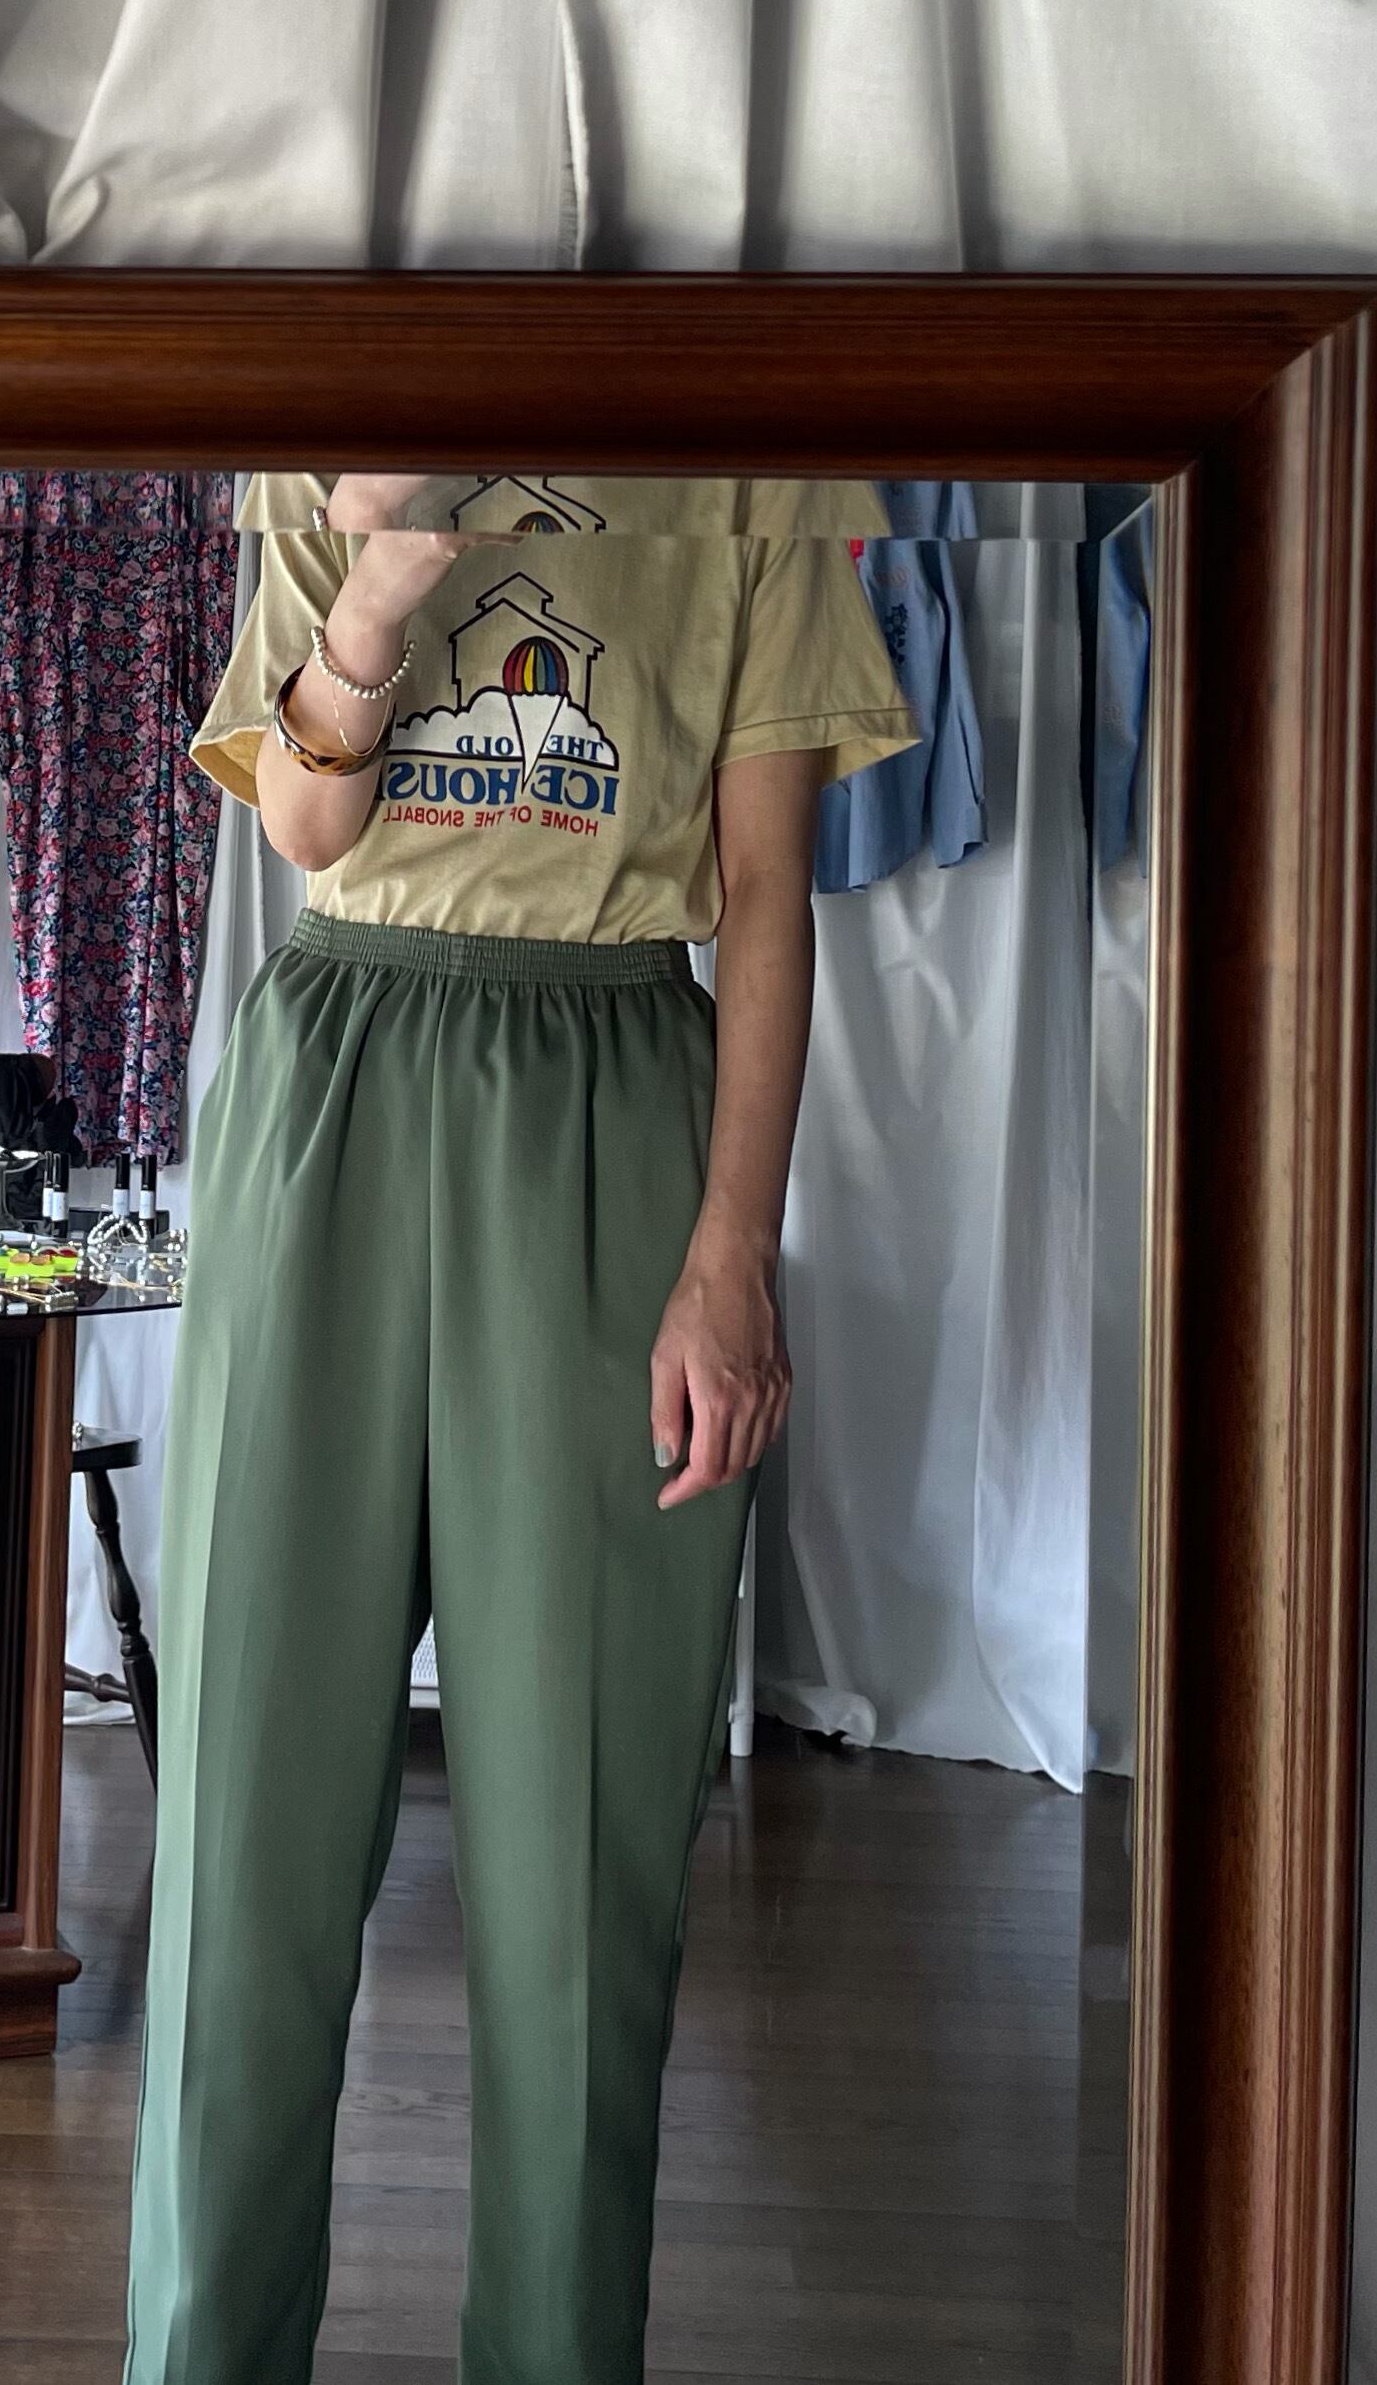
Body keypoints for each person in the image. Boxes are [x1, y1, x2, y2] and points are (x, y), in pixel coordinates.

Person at [123, 473, 920, 2385]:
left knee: (586, 1844)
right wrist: (377, 594)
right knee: (245, 1814)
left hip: (613, 1086)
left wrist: (734, 1252)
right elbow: (305, 825)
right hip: (335, 1072)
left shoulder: (757, 460)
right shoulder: (334, 448)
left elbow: (766, 890)